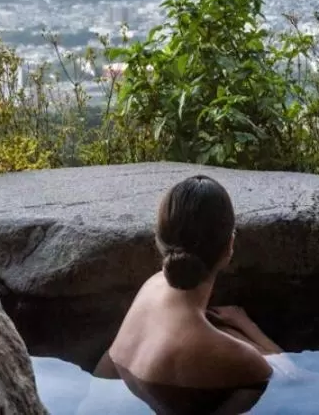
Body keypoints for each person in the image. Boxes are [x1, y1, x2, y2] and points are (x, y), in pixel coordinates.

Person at [92, 174, 283, 415]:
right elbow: (293, 377)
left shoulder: (150, 287)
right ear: (229, 246)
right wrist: (248, 325)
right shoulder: (244, 360)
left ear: (159, 239)